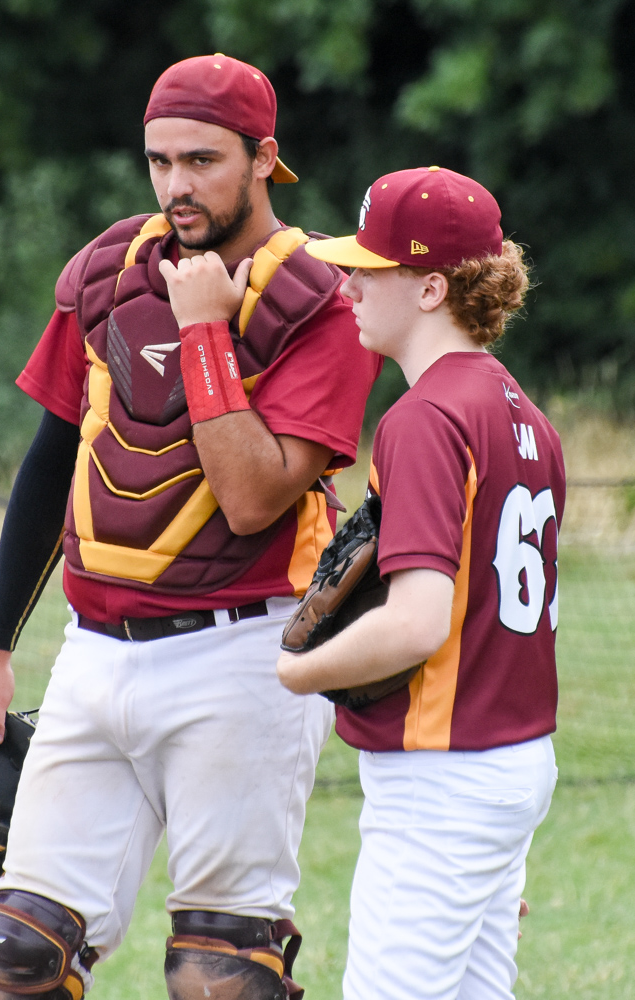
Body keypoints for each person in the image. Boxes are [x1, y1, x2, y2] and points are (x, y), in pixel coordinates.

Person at [0, 55, 382, 1000]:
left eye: (202, 160)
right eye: (159, 161)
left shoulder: (319, 297)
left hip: (240, 656)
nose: (175, 185)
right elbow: (52, 459)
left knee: (219, 970)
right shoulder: (109, 270)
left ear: (264, 158)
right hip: (93, 653)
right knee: (16, 951)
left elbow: (253, 499)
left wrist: (203, 331)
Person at [279, 166, 564, 999]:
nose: (348, 286)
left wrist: (294, 672)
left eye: (371, 270)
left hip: (445, 772)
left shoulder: (426, 417)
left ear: (431, 287)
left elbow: (415, 624)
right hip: (511, 758)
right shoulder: (523, 413)